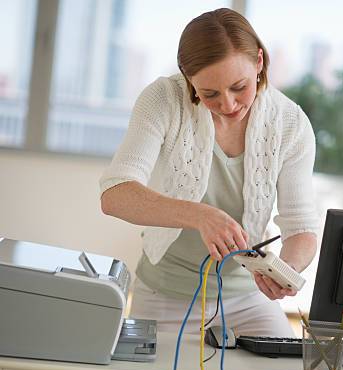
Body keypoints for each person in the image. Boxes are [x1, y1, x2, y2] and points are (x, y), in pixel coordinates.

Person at [99, 8, 318, 337]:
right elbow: (116, 195)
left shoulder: (290, 123)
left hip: (248, 299)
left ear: (259, 62)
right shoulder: (163, 99)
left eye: (239, 87)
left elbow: (301, 227)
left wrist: (285, 270)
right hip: (165, 295)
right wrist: (199, 215)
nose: (228, 105)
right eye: (210, 94)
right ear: (188, 77)